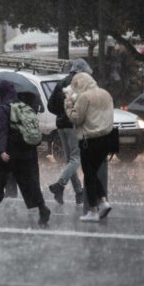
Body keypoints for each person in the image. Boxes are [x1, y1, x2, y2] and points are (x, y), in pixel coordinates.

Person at [0, 80, 50, 226]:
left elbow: (3, 131)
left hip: (9, 152)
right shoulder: (23, 106)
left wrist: (2, 151)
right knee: (29, 183)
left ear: (2, 93)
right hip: (25, 151)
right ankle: (43, 209)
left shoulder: (3, 107)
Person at [65, 72, 114, 222]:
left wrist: (68, 105)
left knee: (89, 174)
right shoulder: (106, 94)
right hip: (108, 139)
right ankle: (103, 202)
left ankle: (94, 210)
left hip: (90, 140)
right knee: (92, 173)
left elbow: (76, 119)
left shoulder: (84, 97)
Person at [47, 58, 92, 205]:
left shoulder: (61, 82)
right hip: (74, 124)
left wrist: (62, 113)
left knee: (70, 160)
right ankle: (60, 185)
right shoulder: (81, 82)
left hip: (61, 125)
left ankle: (79, 192)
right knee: (75, 158)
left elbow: (50, 105)